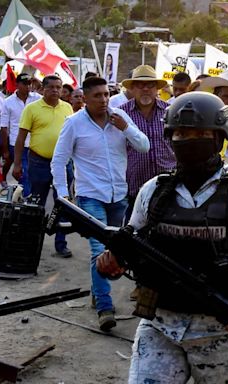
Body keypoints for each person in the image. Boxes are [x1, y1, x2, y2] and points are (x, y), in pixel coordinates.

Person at [96, 91, 228, 383]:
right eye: (181, 133)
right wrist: (113, 262)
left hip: (225, 332)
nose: (190, 140)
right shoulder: (153, 192)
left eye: (201, 133)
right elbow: (132, 243)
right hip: (159, 326)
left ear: (219, 136)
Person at [51, 76, 149, 331]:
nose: (104, 100)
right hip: (90, 196)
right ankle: (105, 307)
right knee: (99, 250)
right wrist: (62, 197)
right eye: (98, 96)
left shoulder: (119, 118)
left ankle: (97, 291)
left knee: (116, 250)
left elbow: (144, 146)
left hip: (119, 197)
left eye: (106, 95)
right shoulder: (74, 123)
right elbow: (59, 160)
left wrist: (126, 128)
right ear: (85, 98)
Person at [13, 75, 74, 258]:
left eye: (59, 87)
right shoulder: (32, 109)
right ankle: (32, 241)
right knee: (37, 204)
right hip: (39, 162)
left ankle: (61, 244)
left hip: (63, 164)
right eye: (52, 87)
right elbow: (21, 137)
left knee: (62, 204)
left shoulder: (68, 107)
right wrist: (17, 164)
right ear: (43, 89)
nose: (56, 90)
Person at [118, 65, 176, 221]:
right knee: (133, 235)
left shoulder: (170, 111)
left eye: (150, 85)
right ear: (132, 89)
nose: (145, 89)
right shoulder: (121, 114)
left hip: (167, 185)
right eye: (140, 85)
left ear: (157, 88)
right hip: (135, 187)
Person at [0, 73, 41, 196]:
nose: (28, 86)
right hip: (16, 143)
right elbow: (4, 127)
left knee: (33, 174)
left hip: (35, 143)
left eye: (29, 83)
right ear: (17, 85)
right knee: (24, 173)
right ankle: (28, 199)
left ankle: (29, 197)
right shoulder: (8, 102)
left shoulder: (37, 98)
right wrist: (5, 150)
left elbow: (50, 93)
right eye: (24, 84)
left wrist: (38, 82)